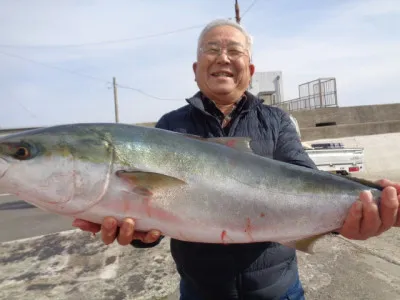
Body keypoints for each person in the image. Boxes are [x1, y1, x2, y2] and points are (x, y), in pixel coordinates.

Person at [72, 19, 400, 299]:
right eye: (212, 49)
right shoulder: (171, 126)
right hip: (201, 290)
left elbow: (307, 184)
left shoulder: (275, 121)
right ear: (196, 69)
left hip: (277, 290)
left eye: (234, 51)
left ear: (250, 69)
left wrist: (352, 217)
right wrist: (143, 235)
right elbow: (152, 215)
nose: (223, 58)